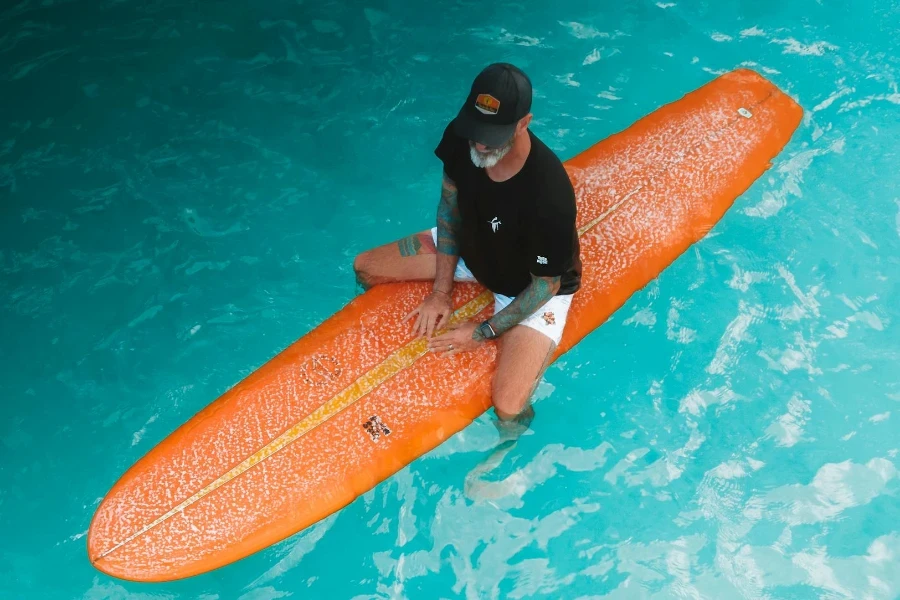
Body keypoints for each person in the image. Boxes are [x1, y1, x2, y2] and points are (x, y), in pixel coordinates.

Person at [353, 62, 582, 430]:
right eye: (477, 129)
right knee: (366, 266)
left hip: (528, 286)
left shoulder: (549, 193)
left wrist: (481, 332)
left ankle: (506, 451)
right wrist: (440, 293)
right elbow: (449, 208)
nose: (479, 142)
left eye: (493, 134)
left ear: (524, 123)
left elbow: (546, 284)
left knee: (507, 407)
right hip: (472, 248)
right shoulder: (465, 137)